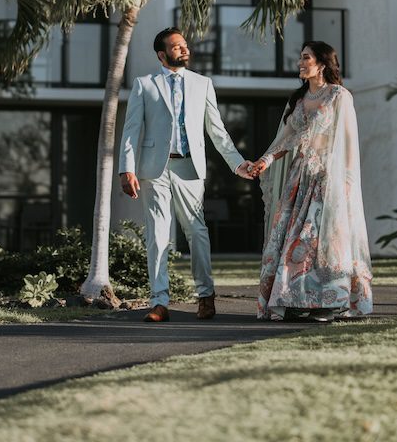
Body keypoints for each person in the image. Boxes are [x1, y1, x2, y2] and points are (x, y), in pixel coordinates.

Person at [119, 27, 255, 322]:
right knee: (157, 235)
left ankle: (205, 297)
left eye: (184, 45)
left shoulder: (202, 84)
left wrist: (237, 163)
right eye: (177, 46)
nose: (184, 49)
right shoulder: (145, 85)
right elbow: (130, 131)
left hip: (190, 168)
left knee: (196, 232)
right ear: (162, 54)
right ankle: (159, 302)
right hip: (155, 169)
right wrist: (126, 168)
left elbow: (216, 131)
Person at [249, 41, 373, 321]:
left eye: (306, 58)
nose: (300, 63)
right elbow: (286, 139)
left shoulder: (339, 96)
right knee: (292, 241)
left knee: (320, 239)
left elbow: (350, 141)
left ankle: (331, 302)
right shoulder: (299, 99)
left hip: (328, 177)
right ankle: (295, 301)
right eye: (300, 58)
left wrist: (347, 182)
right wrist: (265, 160)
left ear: (322, 63)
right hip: (299, 179)